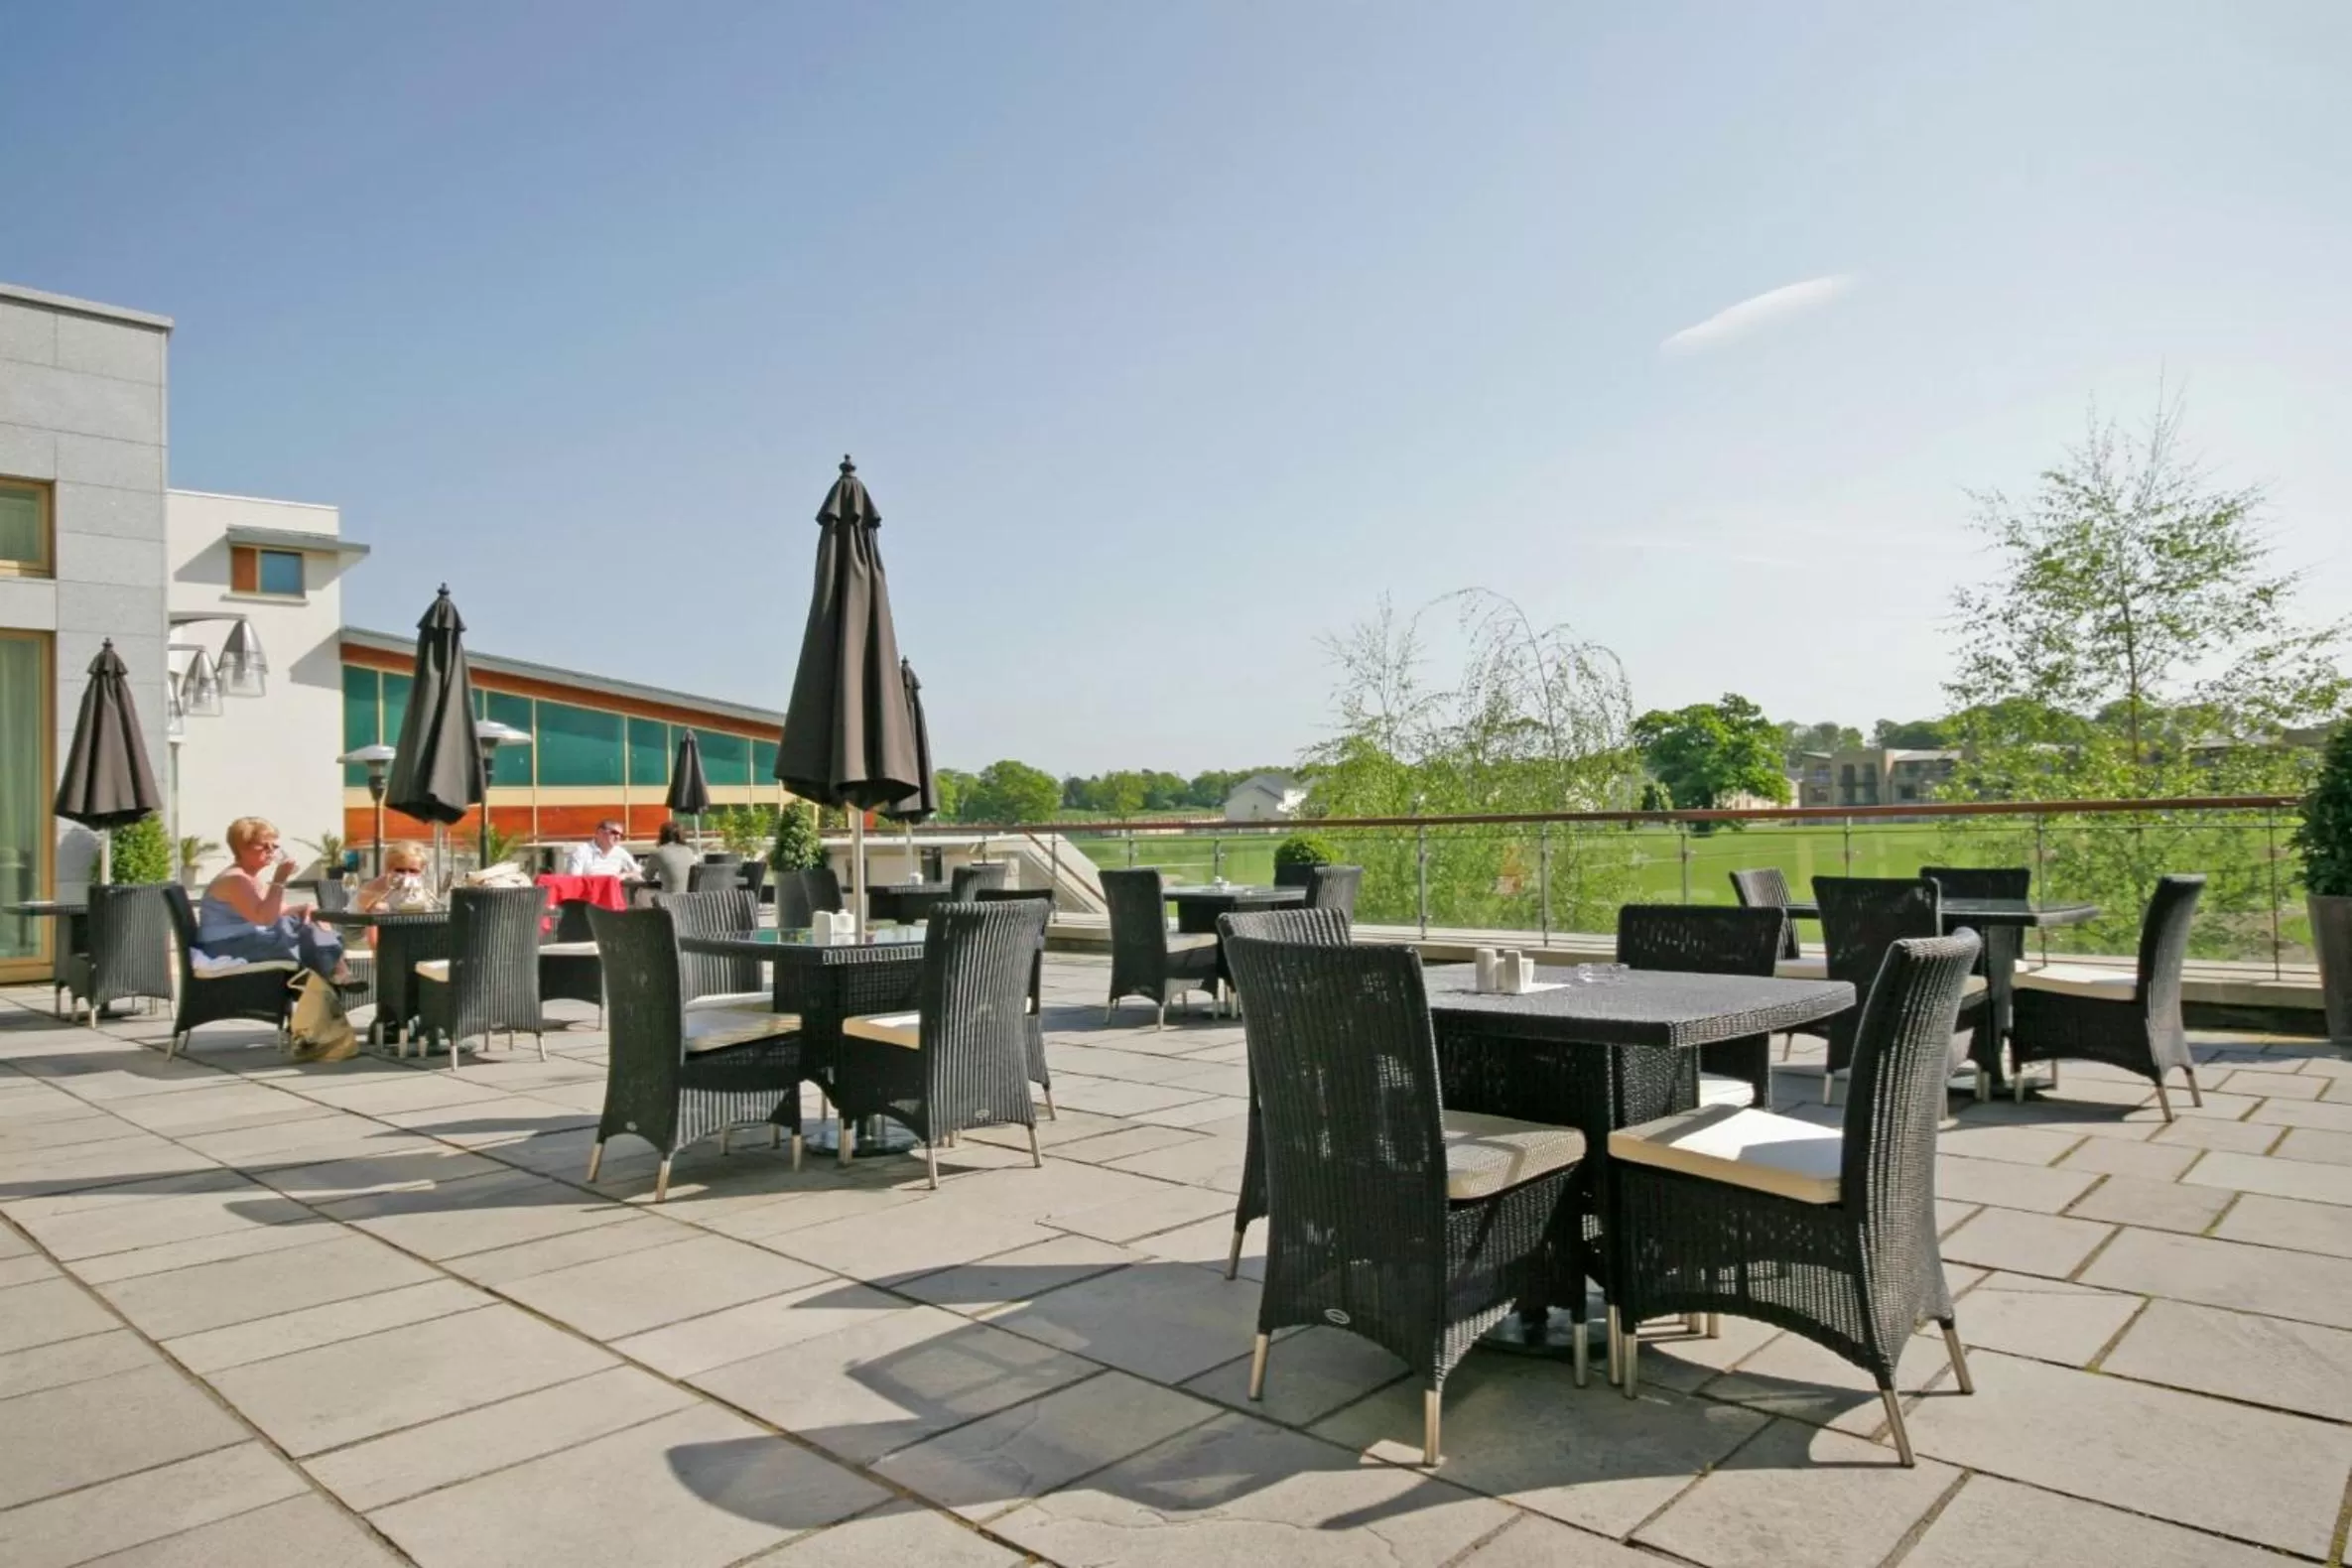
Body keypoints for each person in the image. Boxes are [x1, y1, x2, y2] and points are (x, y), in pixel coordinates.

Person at [196, 816, 344, 980]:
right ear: (241, 848)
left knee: (310, 924)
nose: (271, 850)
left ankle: (337, 974)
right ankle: (334, 978)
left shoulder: (251, 877)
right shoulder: (235, 879)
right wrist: (279, 880)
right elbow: (265, 919)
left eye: (274, 845)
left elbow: (281, 911)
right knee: (302, 939)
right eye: (263, 845)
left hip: (245, 939)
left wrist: (305, 907)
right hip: (227, 945)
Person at [354, 842, 432, 914]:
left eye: (413, 871)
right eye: (400, 870)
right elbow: (359, 909)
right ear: (388, 869)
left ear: (422, 871)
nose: (406, 875)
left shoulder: (427, 891)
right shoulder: (377, 886)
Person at [565, 820, 641, 879]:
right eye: (614, 832)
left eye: (621, 835)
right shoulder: (581, 851)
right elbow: (574, 879)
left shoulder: (621, 852)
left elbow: (638, 871)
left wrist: (624, 875)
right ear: (600, 832)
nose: (618, 837)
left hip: (610, 893)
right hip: (587, 893)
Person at [647, 820, 698, 894]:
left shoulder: (657, 853)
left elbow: (647, 877)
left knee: (640, 892)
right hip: (689, 898)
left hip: (670, 899)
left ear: (662, 835)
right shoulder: (688, 850)